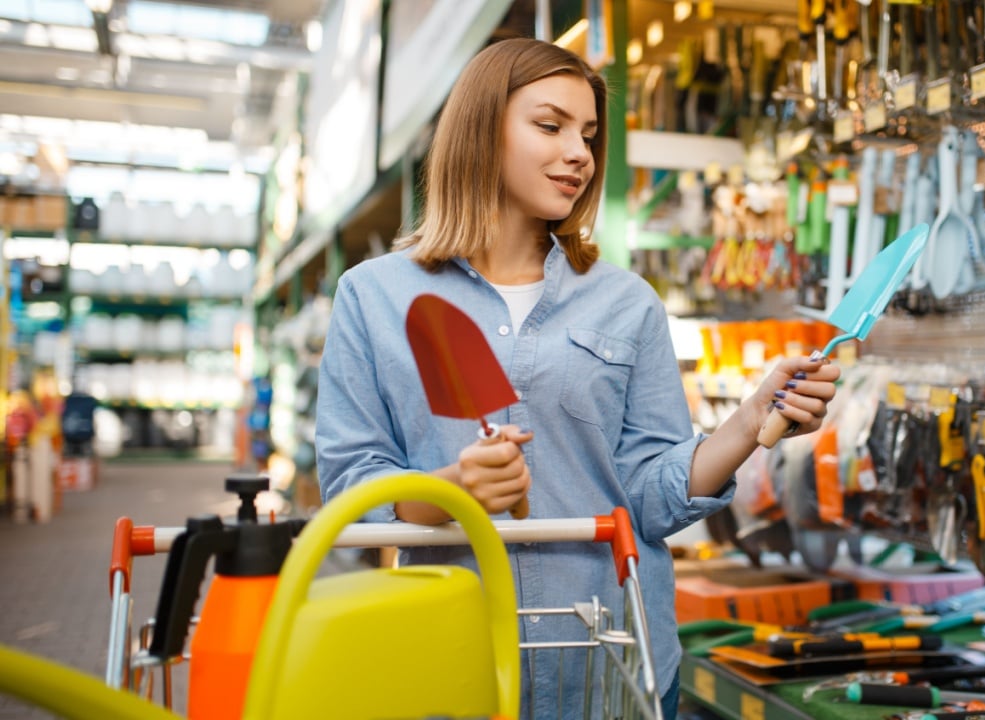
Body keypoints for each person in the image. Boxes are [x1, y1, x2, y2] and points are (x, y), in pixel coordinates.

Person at [316, 37, 839, 719]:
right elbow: (351, 491)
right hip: (456, 664)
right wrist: (453, 490)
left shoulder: (625, 302)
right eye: (550, 125)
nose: (580, 155)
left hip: (612, 663)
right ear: (480, 128)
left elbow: (648, 497)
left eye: (589, 135)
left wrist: (747, 425)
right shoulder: (374, 297)